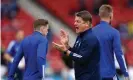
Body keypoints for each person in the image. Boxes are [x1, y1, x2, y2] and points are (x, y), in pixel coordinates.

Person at [53, 11, 101, 80]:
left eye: (78, 21)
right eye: (75, 21)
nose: (75, 23)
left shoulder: (90, 38)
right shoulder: (80, 37)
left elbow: (81, 58)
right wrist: (66, 45)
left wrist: (66, 51)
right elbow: (75, 54)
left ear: (87, 24)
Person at [92, 5, 130, 80]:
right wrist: (125, 72)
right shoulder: (114, 33)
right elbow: (119, 54)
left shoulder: (91, 32)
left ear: (99, 15)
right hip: (108, 74)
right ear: (111, 15)